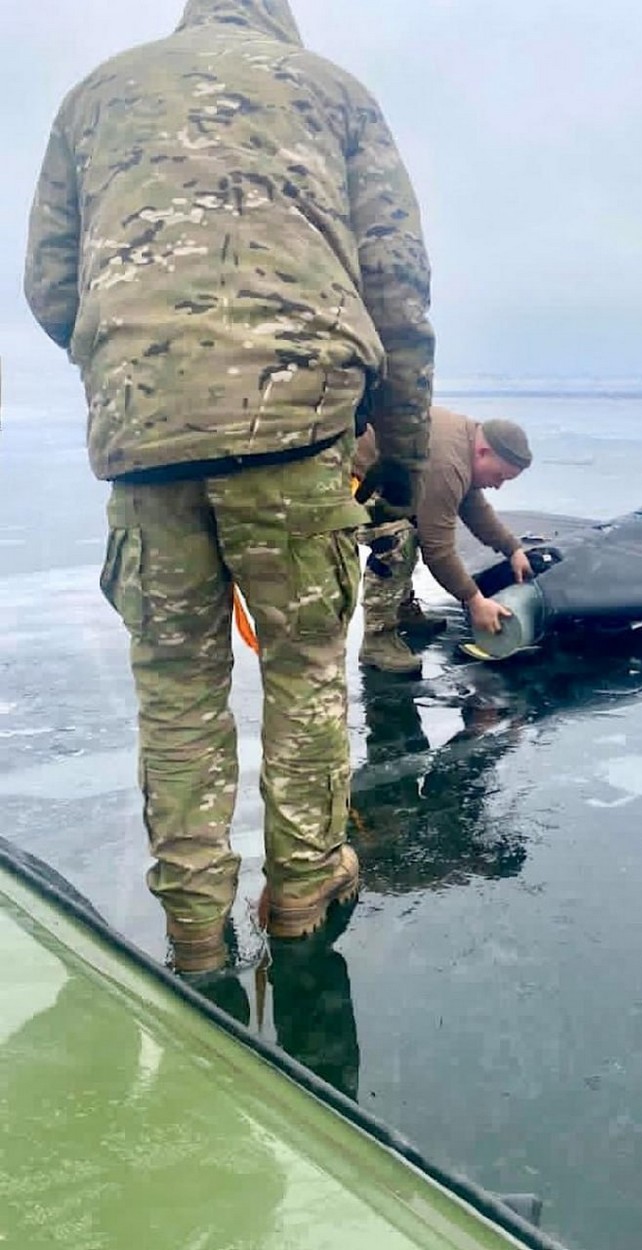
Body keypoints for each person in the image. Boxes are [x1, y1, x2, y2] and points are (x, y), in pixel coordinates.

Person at [23, 0, 434, 974]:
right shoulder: (334, 93)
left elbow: (49, 285)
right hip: (296, 437)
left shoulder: (93, 98)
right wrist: (403, 450)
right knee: (303, 671)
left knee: (175, 690)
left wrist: (141, 379)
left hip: (146, 445)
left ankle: (196, 931)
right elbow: (398, 289)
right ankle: (297, 894)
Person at [355, 406, 533, 673]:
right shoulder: (448, 464)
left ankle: (402, 611)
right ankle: (378, 641)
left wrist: (513, 549)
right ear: (484, 452)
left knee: (414, 516)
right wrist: (475, 602)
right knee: (396, 537)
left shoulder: (467, 443)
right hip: (344, 483)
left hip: (381, 479)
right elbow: (437, 550)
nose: (498, 485)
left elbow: (474, 507)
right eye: (499, 476)